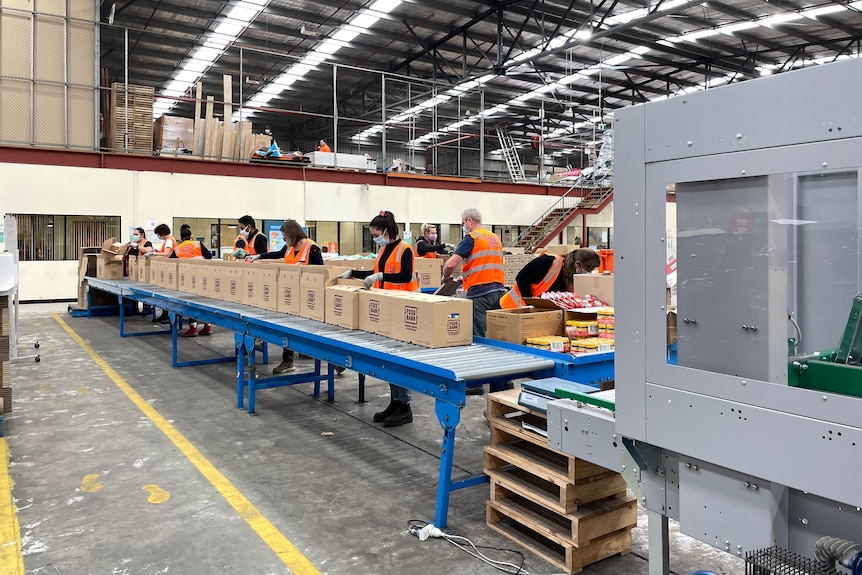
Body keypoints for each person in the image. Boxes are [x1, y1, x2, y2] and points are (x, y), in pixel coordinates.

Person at [442, 208, 506, 395]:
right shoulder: (493, 237)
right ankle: (502, 382)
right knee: (496, 340)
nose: (463, 227)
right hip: (499, 290)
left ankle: (476, 383)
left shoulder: (472, 237)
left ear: (469, 221)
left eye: (463, 224)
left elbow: (450, 264)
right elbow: (485, 263)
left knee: (477, 337)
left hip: (480, 293)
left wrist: (446, 277)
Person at [364, 211, 418, 427]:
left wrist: (379, 277)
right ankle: (395, 401)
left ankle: (405, 406)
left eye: (376, 234)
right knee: (388, 358)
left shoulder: (405, 249)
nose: (375, 238)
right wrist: (354, 273)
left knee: (400, 359)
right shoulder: (384, 249)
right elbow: (379, 271)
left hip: (404, 307)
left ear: (387, 231)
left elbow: (404, 275)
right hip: (387, 306)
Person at [255, 219, 324, 374]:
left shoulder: (312, 248)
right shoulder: (290, 248)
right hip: (292, 295)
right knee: (288, 327)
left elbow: (321, 272)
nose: (284, 238)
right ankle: (288, 361)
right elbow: (277, 254)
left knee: (313, 331)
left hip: (309, 296)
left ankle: (334, 360)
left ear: (292, 233)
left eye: (285, 235)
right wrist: (258, 256)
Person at [500, 248, 600, 309]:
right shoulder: (549, 262)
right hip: (513, 307)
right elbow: (522, 278)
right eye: (589, 269)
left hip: (535, 313)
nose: (589, 273)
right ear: (577, 264)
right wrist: (529, 302)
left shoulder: (570, 278)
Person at [175, 225, 214, 337]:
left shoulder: (178, 248)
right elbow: (209, 256)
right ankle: (208, 325)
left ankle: (193, 328)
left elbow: (171, 262)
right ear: (190, 236)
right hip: (202, 276)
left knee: (190, 303)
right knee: (204, 301)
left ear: (181, 238)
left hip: (188, 278)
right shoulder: (197, 244)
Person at [145, 223, 178, 323]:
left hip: (169, 268)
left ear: (162, 233)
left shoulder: (169, 240)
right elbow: (165, 251)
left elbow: (166, 254)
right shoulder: (170, 240)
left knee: (168, 294)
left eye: (159, 234)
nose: (159, 236)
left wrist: (153, 253)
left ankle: (169, 315)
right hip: (169, 267)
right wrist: (157, 250)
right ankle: (165, 314)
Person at [127, 227, 154, 316]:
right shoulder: (132, 244)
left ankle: (147, 308)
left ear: (142, 235)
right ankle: (134, 309)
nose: (134, 236)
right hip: (132, 272)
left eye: (136, 234)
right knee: (132, 291)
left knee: (144, 291)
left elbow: (149, 251)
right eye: (133, 234)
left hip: (142, 271)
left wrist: (138, 247)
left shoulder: (147, 243)